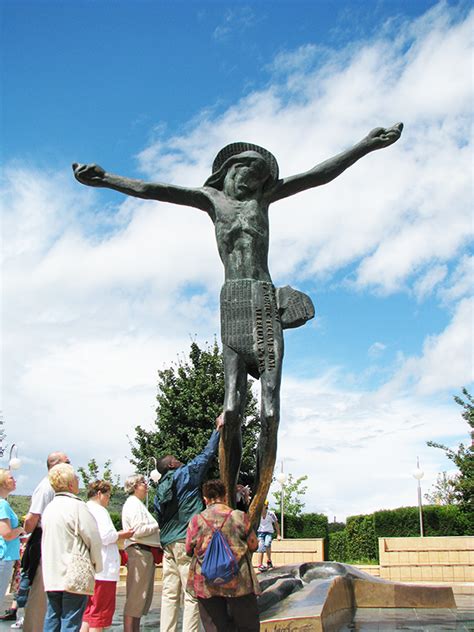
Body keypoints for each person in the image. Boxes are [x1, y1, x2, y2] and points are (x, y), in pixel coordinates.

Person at [73, 123, 403, 521]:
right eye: (251, 171)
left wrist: (365, 144)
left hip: (264, 300)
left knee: (269, 411)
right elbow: (153, 189)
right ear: (232, 170)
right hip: (232, 302)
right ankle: (229, 501)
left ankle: (260, 497)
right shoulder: (211, 199)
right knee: (230, 409)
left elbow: (319, 175)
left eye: (262, 175)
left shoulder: (264, 199)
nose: (256, 179)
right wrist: (107, 179)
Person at [154, 413, 224, 632]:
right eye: (177, 458)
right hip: (185, 542)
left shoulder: (160, 489)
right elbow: (207, 455)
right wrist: (218, 429)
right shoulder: (185, 474)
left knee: (169, 594)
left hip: (167, 545)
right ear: (173, 463)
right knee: (191, 594)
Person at [186, 479, 260, 632]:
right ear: (225, 497)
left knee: (214, 627)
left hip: (206, 584)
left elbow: (188, 549)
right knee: (247, 626)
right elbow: (253, 544)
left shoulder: (196, 520)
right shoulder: (239, 517)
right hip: (239, 582)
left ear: (205, 499)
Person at [41, 462, 102, 632]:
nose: (78, 480)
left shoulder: (50, 508)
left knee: (53, 616)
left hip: (52, 573)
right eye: (75, 477)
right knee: (71, 618)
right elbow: (93, 537)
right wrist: (97, 564)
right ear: (69, 483)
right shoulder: (77, 506)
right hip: (73, 572)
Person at [22, 451, 70, 632]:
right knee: (40, 595)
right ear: (55, 465)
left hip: (53, 542)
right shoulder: (46, 487)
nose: (70, 466)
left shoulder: (56, 488)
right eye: (67, 462)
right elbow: (32, 518)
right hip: (44, 541)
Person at [80, 480, 134, 632]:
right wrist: (122, 534)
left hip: (91, 567)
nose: (109, 499)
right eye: (108, 496)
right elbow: (106, 536)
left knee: (88, 613)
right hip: (104, 569)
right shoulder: (100, 511)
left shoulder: (84, 508)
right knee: (99, 615)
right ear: (99, 494)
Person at [121, 474, 160, 632]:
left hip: (144, 552)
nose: (146, 485)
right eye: (143, 482)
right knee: (136, 599)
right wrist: (157, 525)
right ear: (135, 486)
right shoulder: (133, 505)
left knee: (140, 599)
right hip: (139, 552)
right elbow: (137, 531)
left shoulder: (137, 504)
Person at [0, 470, 25, 615]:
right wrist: (20, 529)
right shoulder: (2, 505)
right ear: (3, 482)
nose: (15, 480)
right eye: (11, 478)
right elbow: (7, 534)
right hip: (4, 556)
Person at [256, 499, 280, 572]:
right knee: (260, 547)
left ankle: (269, 560)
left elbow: (276, 524)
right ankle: (260, 564)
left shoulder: (271, 514)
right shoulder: (257, 514)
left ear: (266, 506)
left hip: (268, 532)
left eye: (263, 505)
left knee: (267, 543)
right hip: (260, 532)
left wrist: (278, 534)